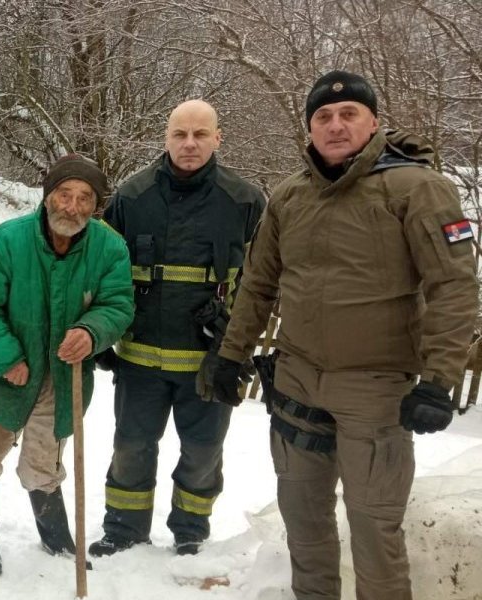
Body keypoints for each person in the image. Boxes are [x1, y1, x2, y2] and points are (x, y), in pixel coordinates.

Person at [205, 71, 478, 600]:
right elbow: (259, 284)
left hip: (375, 389)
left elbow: (453, 286)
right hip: (298, 382)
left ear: (373, 121)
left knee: (375, 528)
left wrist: (439, 378)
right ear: (309, 128)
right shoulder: (289, 195)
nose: (335, 125)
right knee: (303, 521)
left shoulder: (418, 188)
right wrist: (229, 353)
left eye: (348, 114)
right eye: (323, 117)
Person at [90, 99, 265, 557]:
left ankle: (190, 529)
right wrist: (104, 334)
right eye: (180, 135)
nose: (189, 144)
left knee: (203, 451)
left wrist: (238, 345)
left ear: (217, 138)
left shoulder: (245, 200)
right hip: (140, 357)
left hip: (210, 360)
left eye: (200, 134)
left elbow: (261, 281)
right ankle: (124, 528)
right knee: (131, 446)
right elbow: (104, 270)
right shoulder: (132, 196)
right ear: (165, 138)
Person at [0, 155, 134, 575]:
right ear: (47, 196)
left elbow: (118, 303)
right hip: (5, 377)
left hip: (62, 379)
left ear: (96, 205)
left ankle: (55, 536)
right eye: (64, 195)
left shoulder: (109, 248)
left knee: (44, 463)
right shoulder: (6, 242)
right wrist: (7, 358)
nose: (72, 206)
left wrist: (91, 331)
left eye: (84, 198)